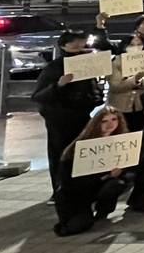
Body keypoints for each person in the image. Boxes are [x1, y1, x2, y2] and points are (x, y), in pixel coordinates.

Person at [32, 30, 107, 201]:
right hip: (60, 119)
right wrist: (59, 85)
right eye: (73, 42)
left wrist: (96, 94)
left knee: (83, 153)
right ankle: (59, 191)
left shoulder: (86, 63)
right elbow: (38, 96)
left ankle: (82, 190)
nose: (78, 45)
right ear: (63, 45)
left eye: (81, 41)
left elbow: (92, 89)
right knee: (60, 154)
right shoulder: (54, 67)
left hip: (82, 115)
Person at [53, 106, 131, 236]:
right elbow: (67, 179)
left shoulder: (120, 141)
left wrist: (119, 172)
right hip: (75, 191)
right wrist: (104, 176)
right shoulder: (82, 144)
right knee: (76, 226)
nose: (110, 124)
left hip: (97, 186)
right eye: (104, 121)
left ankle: (102, 211)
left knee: (116, 184)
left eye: (114, 119)